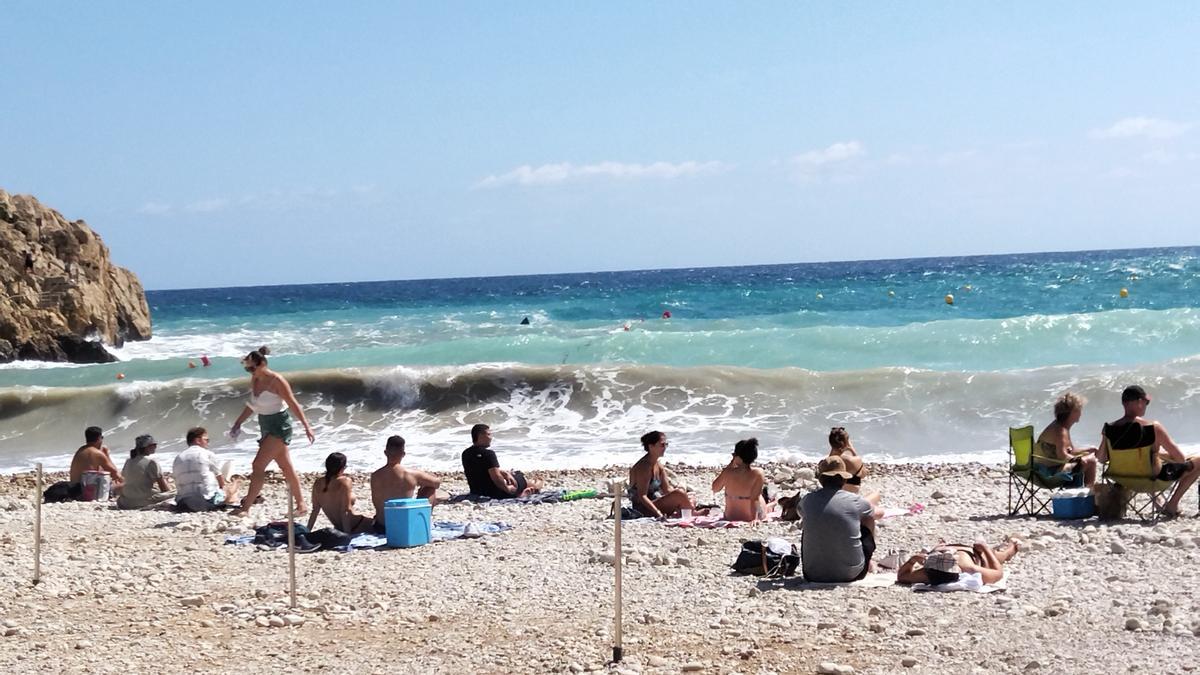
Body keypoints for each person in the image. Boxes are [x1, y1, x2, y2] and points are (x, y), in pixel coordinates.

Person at [230, 346, 316, 516]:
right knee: (286, 467)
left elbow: (293, 403)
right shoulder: (255, 379)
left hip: (279, 425)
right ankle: (301, 506)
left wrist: (307, 426)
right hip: (265, 424)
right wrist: (237, 423)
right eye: (247, 369)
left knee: (258, 465)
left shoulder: (277, 380)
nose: (250, 371)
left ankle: (246, 507)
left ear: (262, 363)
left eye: (252, 367)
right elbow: (253, 405)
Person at [1099, 385, 1200, 517]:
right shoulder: (1153, 427)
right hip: (1152, 480)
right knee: (1198, 462)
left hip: (1123, 479)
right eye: (1146, 402)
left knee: (1153, 459)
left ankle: (1160, 502)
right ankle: (1172, 504)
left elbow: (1101, 458)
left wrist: (1158, 454)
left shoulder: (1109, 428)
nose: (1146, 405)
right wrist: (1160, 455)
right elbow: (1180, 459)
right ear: (1139, 402)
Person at [799, 455, 877, 582]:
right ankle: (868, 562)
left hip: (812, 574)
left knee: (811, 523)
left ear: (821, 479)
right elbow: (870, 513)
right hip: (851, 574)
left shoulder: (807, 500)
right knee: (868, 519)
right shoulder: (856, 501)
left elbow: (800, 513)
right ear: (844, 480)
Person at [371, 435, 446, 530]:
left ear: (385, 453)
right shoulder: (411, 474)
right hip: (404, 526)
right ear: (403, 454)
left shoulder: (375, 476)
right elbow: (437, 483)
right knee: (430, 488)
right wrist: (429, 476)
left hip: (381, 526)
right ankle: (423, 521)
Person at [1034, 391, 1099, 488]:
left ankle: (1079, 492)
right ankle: (1089, 493)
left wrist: (1089, 449)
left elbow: (1070, 450)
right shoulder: (1060, 431)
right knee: (1091, 461)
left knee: (1086, 457)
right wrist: (1081, 459)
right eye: (1079, 410)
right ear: (1072, 412)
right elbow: (1062, 456)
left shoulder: (1059, 426)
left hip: (1042, 469)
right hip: (1049, 474)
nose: (1081, 413)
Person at [462, 424, 543, 498]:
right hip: (496, 493)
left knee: (511, 477)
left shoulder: (465, 453)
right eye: (489, 434)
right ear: (480, 436)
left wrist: (504, 473)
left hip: (477, 492)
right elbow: (496, 477)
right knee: (522, 479)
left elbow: (481, 470)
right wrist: (508, 490)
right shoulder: (488, 454)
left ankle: (528, 485)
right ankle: (536, 484)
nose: (491, 438)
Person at [628, 430, 696, 519]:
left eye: (666, 445)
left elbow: (667, 489)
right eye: (662, 445)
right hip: (643, 509)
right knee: (679, 495)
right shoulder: (644, 467)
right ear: (651, 446)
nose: (665, 448)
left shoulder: (658, 465)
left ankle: (689, 511)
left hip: (656, 502)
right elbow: (642, 496)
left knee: (687, 495)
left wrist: (683, 494)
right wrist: (658, 513)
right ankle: (693, 513)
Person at [174, 427, 243, 512]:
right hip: (205, 501)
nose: (208, 443)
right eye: (206, 440)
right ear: (198, 440)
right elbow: (221, 482)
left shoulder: (178, 457)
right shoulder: (208, 454)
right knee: (233, 487)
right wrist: (228, 489)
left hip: (182, 503)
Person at [897, 540, 1020, 586]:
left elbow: (902, 576)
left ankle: (1008, 546)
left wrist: (911, 561)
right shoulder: (968, 568)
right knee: (998, 556)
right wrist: (985, 548)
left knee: (995, 554)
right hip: (975, 554)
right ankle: (1012, 547)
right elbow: (998, 573)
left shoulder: (927, 574)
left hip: (959, 550)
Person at [307, 452, 374, 534]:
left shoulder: (317, 483)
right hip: (355, 525)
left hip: (338, 528)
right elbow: (345, 511)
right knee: (378, 523)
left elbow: (315, 510)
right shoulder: (345, 481)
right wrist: (347, 535)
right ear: (342, 468)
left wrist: (307, 532)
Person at [711, 438, 766, 521]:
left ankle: (771, 505)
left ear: (737, 456)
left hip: (729, 517)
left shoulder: (728, 473)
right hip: (748, 517)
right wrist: (755, 519)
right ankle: (771, 505)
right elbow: (755, 499)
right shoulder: (758, 473)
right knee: (760, 497)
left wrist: (731, 463)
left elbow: (715, 488)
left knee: (758, 497)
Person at [117, 435, 173, 509]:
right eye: (154, 445)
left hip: (126, 502)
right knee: (174, 493)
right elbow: (163, 487)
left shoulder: (128, 461)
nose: (156, 447)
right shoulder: (151, 462)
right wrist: (169, 493)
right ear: (147, 447)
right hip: (143, 501)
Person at [68, 426, 123, 491]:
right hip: (87, 492)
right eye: (102, 438)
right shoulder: (97, 453)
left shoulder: (81, 450)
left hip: (74, 489)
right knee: (122, 485)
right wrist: (106, 456)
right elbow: (115, 474)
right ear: (99, 438)